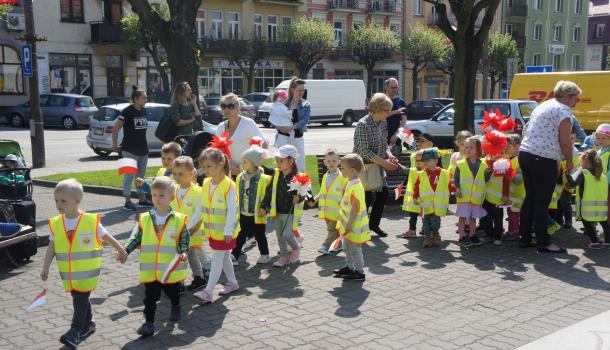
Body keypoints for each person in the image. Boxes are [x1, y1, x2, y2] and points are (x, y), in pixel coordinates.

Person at [40, 179, 127, 348]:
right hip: (69, 275)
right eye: (56, 200)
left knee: (79, 300)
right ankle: (89, 325)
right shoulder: (57, 223)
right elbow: (52, 246)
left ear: (77, 201)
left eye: (63, 201)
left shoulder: (90, 221)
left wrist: (121, 250)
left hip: (87, 274)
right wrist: (45, 267)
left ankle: (75, 331)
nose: (59, 204)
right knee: (79, 299)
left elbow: (106, 237)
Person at [123, 176, 190, 336]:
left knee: (173, 293)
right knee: (150, 298)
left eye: (161, 195)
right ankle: (149, 323)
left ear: (171, 198)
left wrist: (183, 252)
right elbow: (136, 237)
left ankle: (175, 306)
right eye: (154, 195)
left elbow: (184, 239)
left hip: (169, 269)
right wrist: (125, 251)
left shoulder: (178, 219)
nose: (157, 199)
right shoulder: (145, 218)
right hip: (151, 270)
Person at [518, 80, 580, 253]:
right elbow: (566, 142)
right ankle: (544, 242)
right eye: (576, 98)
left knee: (530, 198)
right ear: (568, 96)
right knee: (541, 202)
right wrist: (569, 160)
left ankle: (524, 238)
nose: (576, 102)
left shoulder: (544, 105)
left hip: (526, 153)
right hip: (543, 158)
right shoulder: (564, 111)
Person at [193, 148, 240, 304]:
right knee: (224, 256)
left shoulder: (229, 185)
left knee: (217, 258)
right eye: (203, 167)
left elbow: (232, 210)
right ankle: (232, 283)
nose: (205, 170)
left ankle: (208, 292)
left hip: (224, 232)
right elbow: (200, 208)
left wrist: (227, 230)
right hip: (213, 231)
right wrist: (188, 227)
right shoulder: (206, 183)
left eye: (208, 166)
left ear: (220, 164)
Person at [353, 93, 400, 238]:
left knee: (383, 194)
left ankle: (373, 224)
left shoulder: (383, 122)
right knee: (365, 198)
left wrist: (390, 156)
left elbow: (384, 144)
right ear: (377, 109)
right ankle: (360, 227)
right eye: (387, 110)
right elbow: (363, 150)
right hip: (365, 168)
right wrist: (384, 162)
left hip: (378, 167)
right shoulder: (362, 124)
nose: (389, 113)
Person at [259, 145, 306, 267]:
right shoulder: (277, 175)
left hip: (290, 212)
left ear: (291, 161)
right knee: (279, 236)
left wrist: (299, 198)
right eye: (277, 160)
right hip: (277, 211)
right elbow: (269, 191)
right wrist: (263, 206)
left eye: (281, 161)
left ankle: (295, 247)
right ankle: (284, 256)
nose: (278, 163)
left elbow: (304, 193)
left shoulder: (298, 177)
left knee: (287, 234)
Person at [168, 156, 208, 292]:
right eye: (174, 173)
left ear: (191, 174)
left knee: (184, 256)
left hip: (192, 231)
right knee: (188, 256)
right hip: (176, 230)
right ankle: (199, 278)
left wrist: (192, 228)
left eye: (181, 174)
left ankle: (180, 282)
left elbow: (201, 213)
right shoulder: (173, 189)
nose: (177, 177)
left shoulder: (199, 191)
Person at [112, 86, 152, 211]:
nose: (146, 99)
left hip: (143, 149)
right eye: (143, 97)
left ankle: (142, 199)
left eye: (146, 97)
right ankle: (127, 201)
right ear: (135, 99)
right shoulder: (126, 112)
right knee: (129, 176)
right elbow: (115, 128)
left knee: (140, 177)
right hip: (128, 149)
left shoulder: (144, 111)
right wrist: (114, 145)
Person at [232, 146, 272, 265]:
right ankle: (235, 254)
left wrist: (265, 208)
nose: (242, 163)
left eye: (245, 161)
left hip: (257, 213)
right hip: (243, 212)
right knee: (240, 234)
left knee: (260, 235)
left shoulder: (263, 178)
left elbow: (268, 196)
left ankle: (265, 254)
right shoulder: (240, 177)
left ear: (254, 163)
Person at [333, 154, 370, 281]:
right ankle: (350, 268)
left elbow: (355, 208)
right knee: (346, 247)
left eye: (343, 168)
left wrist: (349, 224)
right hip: (347, 224)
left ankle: (359, 272)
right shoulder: (350, 182)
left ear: (352, 170)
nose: (341, 170)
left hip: (353, 225)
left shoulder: (355, 186)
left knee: (354, 249)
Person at [215, 93, 268, 175]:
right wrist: (229, 166)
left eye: (230, 106)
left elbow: (263, 143)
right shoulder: (221, 127)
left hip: (249, 173)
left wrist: (253, 165)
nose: (226, 109)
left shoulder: (248, 123)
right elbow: (217, 153)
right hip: (228, 173)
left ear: (238, 108)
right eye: (223, 106)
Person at [568, 149, 610, 249]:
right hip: (602, 205)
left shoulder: (583, 173)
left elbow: (573, 183)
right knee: (604, 223)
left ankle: (594, 242)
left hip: (587, 206)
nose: (580, 163)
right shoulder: (602, 175)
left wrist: (567, 173)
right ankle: (608, 243)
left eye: (581, 160)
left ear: (586, 160)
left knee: (587, 223)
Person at [413, 148, 454, 248]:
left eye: (435, 158)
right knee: (426, 223)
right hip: (425, 204)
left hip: (438, 205)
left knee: (435, 223)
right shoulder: (421, 174)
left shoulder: (443, 173)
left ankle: (436, 235)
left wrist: (455, 189)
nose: (435, 160)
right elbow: (417, 187)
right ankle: (427, 238)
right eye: (426, 160)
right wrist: (415, 197)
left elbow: (448, 185)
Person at [454, 137, 488, 248]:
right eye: (466, 147)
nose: (468, 150)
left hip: (476, 198)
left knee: (473, 218)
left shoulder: (483, 165)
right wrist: (457, 188)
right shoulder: (461, 164)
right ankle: (462, 237)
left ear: (478, 149)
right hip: (464, 196)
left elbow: (485, 179)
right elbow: (456, 178)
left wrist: (490, 172)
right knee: (463, 218)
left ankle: (472, 235)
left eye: (471, 147)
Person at [313, 148, 348, 254]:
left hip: (337, 211)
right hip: (326, 210)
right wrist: (315, 199)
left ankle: (326, 246)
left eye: (334, 161)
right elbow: (323, 191)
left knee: (332, 230)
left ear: (339, 161)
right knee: (333, 229)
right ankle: (339, 245)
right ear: (324, 163)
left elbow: (346, 193)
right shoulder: (325, 176)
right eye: (328, 161)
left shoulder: (342, 177)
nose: (331, 163)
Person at [276, 78, 311, 172]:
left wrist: (292, 127)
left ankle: (300, 184)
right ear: (292, 90)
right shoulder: (284, 103)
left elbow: (305, 120)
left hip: (297, 138)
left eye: (303, 90)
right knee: (283, 163)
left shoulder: (306, 104)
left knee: (300, 165)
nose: (301, 92)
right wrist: (280, 127)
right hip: (284, 137)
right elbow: (276, 117)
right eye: (299, 90)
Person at [504, 134, 525, 241]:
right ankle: (512, 230)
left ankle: (515, 232)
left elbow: (518, 180)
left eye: (508, 146)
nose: (505, 148)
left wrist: (509, 175)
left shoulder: (519, 160)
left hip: (519, 193)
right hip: (511, 194)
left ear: (517, 146)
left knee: (516, 213)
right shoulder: (507, 159)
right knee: (511, 212)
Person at [401, 150, 424, 238]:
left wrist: (397, 164)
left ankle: (425, 229)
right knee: (413, 216)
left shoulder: (427, 171)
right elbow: (405, 171)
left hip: (423, 198)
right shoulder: (413, 170)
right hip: (415, 198)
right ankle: (412, 230)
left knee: (424, 215)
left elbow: (404, 170)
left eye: (420, 160)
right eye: (416, 161)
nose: (417, 162)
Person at [384, 78, 407, 146]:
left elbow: (404, 121)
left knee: (395, 156)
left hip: (395, 137)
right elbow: (378, 116)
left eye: (396, 87)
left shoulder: (401, 102)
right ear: (386, 87)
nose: (394, 89)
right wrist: (396, 112)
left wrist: (396, 134)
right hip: (380, 136)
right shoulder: (381, 100)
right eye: (392, 87)